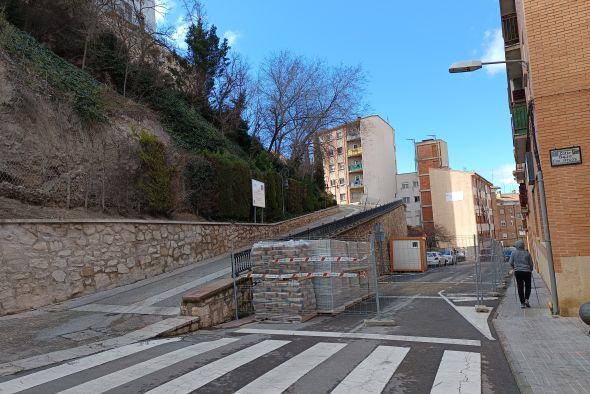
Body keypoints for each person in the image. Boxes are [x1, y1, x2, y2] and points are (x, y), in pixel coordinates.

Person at [509, 240, 534, 308]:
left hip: (518, 272)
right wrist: (531, 269)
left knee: (520, 286)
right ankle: (526, 299)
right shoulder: (527, 253)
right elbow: (531, 263)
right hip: (527, 272)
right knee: (528, 286)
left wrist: (514, 268)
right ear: (523, 246)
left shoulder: (513, 253)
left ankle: (522, 303)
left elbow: (510, 262)